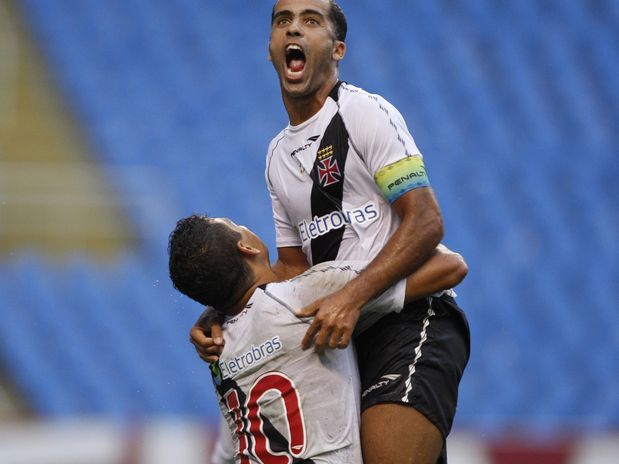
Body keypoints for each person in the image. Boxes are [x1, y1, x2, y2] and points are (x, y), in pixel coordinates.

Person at [191, 1, 471, 463]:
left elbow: (426, 220)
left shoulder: (365, 113)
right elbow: (293, 271)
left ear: (337, 49)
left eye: (310, 20)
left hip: (415, 316)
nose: (293, 28)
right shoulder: (277, 156)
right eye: (283, 21)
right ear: (270, 50)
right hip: (347, 336)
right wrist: (219, 314)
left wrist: (352, 296)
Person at [169, 214, 467, 463]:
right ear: (246, 247)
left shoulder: (217, 346)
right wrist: (356, 293)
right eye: (235, 223)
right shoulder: (307, 293)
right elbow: (449, 267)